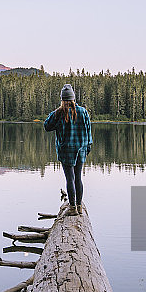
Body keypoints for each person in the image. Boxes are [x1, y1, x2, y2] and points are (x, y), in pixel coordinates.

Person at [43, 83, 93, 215]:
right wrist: (88, 147)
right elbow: (88, 131)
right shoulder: (83, 112)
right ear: (73, 98)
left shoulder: (59, 113)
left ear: (62, 99)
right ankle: (79, 207)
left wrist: (54, 113)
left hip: (66, 151)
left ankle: (72, 208)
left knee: (70, 178)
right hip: (81, 148)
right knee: (78, 178)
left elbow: (47, 126)